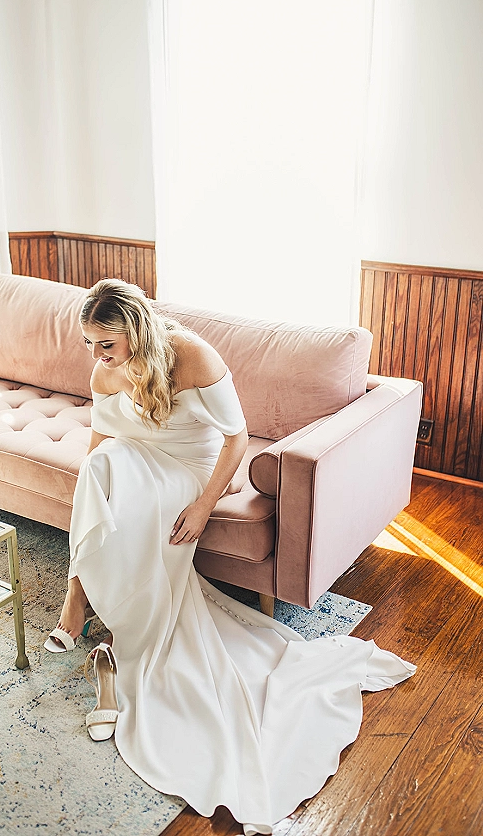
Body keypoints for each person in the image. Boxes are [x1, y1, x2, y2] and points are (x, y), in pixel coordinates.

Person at [45, 278, 415, 836]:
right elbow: (101, 443)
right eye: (89, 343)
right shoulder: (103, 372)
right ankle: (80, 594)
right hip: (132, 459)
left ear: (137, 332)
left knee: (116, 479)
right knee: (99, 470)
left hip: (190, 468)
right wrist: (92, 492)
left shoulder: (193, 357)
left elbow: (236, 438)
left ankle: (90, 610)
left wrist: (202, 505)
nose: (94, 357)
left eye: (106, 344)